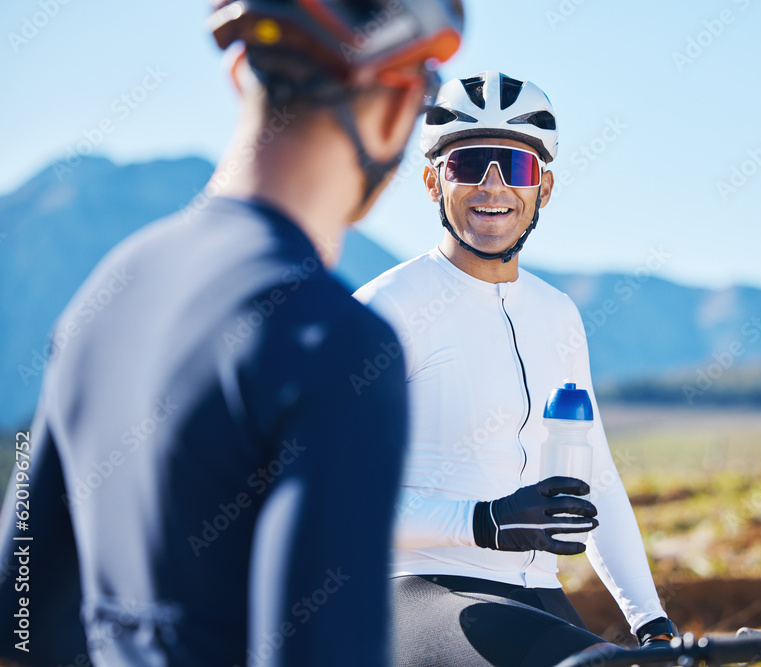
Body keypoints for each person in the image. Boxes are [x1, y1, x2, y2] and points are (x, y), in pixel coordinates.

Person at [0, 1, 462, 665]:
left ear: (240, 70)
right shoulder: (336, 344)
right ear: (395, 108)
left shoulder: (104, 294)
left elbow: (18, 617)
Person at [354, 70, 678, 667]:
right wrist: (485, 521)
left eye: (516, 167)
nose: (492, 185)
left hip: (537, 593)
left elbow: (597, 477)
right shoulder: (386, 310)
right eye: (469, 164)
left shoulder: (558, 315)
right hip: (418, 592)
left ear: (545, 188)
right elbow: (335, 501)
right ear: (432, 181)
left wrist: (651, 621)